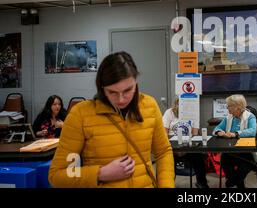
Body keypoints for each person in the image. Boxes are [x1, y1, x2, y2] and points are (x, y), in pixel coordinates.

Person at [49, 51, 174, 188]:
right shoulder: (80, 114)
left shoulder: (149, 105)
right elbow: (58, 175)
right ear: (102, 88)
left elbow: (163, 153)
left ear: (136, 82)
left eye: (128, 90)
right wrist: (100, 174)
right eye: (112, 92)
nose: (121, 99)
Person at [163, 98, 209, 188]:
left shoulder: (193, 113)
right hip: (172, 146)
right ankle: (168, 184)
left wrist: (185, 148)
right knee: (167, 162)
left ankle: (202, 183)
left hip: (188, 146)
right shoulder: (169, 112)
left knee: (198, 157)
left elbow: (195, 134)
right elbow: (164, 133)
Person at [213, 94, 257, 188]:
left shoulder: (250, 116)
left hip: (246, 152)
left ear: (237, 107)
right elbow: (217, 128)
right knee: (224, 159)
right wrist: (219, 132)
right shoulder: (228, 117)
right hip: (230, 150)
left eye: (229, 106)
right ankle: (239, 185)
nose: (227, 108)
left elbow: (254, 130)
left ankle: (231, 183)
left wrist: (236, 133)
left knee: (246, 165)